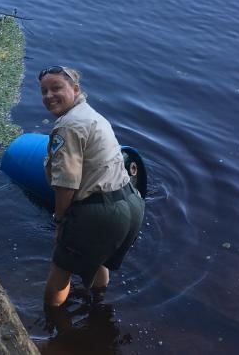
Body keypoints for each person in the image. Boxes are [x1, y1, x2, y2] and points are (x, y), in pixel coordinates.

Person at [39, 65, 145, 307]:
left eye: (56, 88)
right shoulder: (93, 115)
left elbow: (66, 183)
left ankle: (51, 327)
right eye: (44, 91)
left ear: (75, 89)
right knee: (99, 261)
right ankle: (98, 307)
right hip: (131, 204)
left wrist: (59, 221)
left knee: (60, 273)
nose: (49, 96)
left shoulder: (67, 126)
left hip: (100, 213)